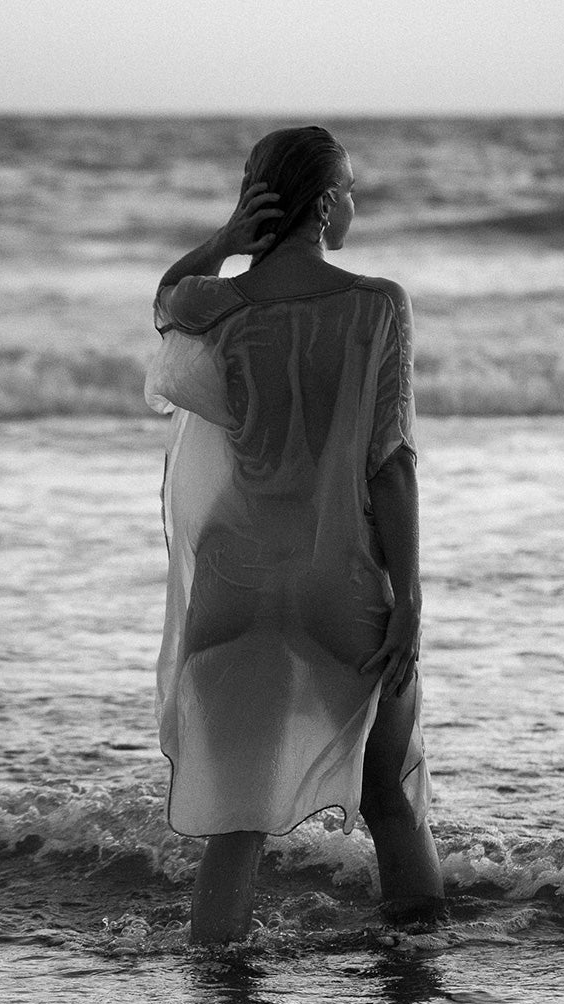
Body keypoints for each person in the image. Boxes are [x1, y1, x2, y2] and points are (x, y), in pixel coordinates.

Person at [145, 126, 444, 943]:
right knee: (388, 792)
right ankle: (415, 979)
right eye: (346, 188)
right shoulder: (377, 304)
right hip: (337, 580)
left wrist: (221, 242)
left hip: (234, 580)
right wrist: (410, 597)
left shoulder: (224, 305)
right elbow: (392, 464)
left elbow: (168, 301)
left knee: (235, 822)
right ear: (320, 206)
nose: (354, 201)